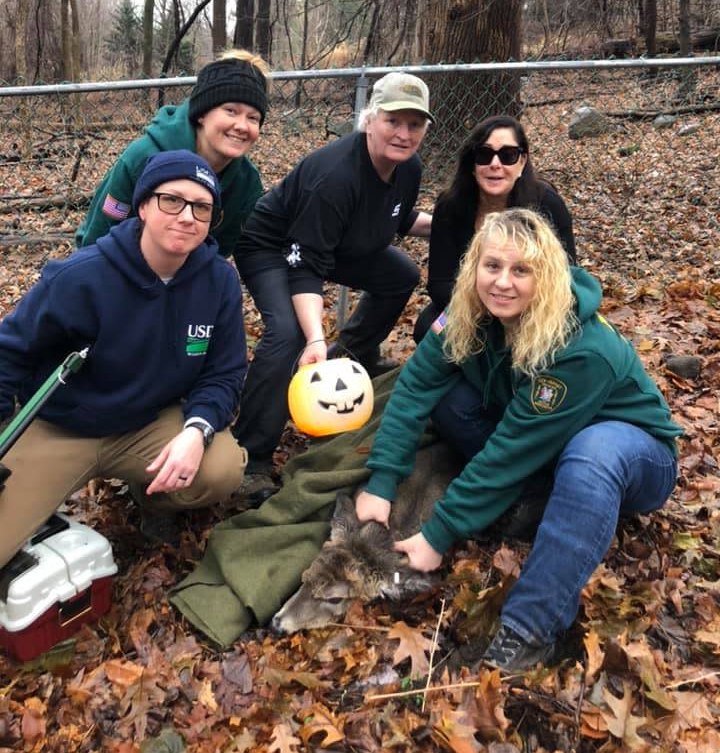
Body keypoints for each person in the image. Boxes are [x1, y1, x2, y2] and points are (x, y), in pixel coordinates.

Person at [357, 208, 680, 673]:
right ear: (475, 268)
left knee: (590, 456)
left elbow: (510, 449)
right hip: (546, 437)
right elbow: (416, 385)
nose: (502, 282)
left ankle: (530, 628)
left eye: (521, 270)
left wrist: (439, 533)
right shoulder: (469, 309)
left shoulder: (580, 349)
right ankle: (537, 498)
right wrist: (383, 481)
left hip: (636, 455)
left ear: (545, 276)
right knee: (449, 395)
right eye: (492, 266)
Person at [0, 150, 249, 564]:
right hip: (62, 425)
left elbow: (225, 373)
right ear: (144, 206)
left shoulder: (218, 281)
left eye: (202, 208)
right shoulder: (80, 276)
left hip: (146, 424)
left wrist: (196, 431)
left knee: (221, 468)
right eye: (172, 200)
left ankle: (150, 497)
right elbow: (9, 350)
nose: (187, 216)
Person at [233, 72, 434, 486]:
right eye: (393, 121)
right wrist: (313, 338)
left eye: (414, 124)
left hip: (334, 243)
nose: (403, 133)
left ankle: (354, 353)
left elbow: (398, 218)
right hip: (273, 246)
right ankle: (251, 454)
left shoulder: (408, 167)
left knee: (401, 274)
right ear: (370, 120)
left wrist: (456, 222)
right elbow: (307, 265)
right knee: (288, 333)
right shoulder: (336, 175)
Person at [76, 50, 268, 266]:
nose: (242, 126)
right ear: (202, 114)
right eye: (231, 111)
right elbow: (98, 236)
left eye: (253, 118)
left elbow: (218, 251)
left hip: (184, 281)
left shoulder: (246, 182)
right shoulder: (142, 157)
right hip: (118, 271)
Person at [414, 115, 576, 342]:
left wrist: (512, 310)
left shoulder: (547, 205)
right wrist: (485, 307)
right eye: (484, 154)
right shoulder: (450, 205)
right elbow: (440, 283)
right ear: (472, 164)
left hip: (531, 307)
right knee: (429, 327)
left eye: (508, 155)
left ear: (522, 162)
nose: (495, 164)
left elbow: (568, 277)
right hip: (471, 305)